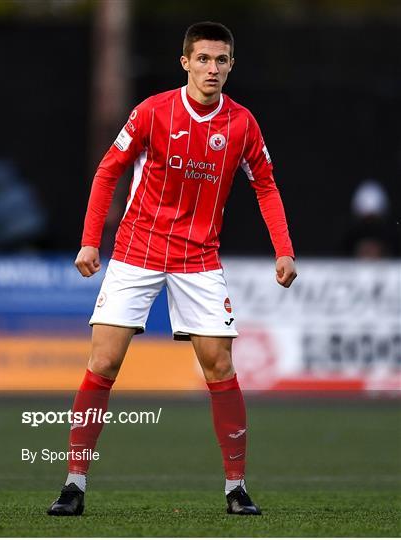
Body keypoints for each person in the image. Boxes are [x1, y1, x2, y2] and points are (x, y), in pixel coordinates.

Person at [47, 21, 297, 517]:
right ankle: (73, 484)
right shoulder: (153, 111)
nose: (212, 68)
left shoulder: (242, 124)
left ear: (230, 66)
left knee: (220, 367)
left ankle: (236, 488)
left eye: (221, 60)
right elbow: (108, 171)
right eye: (202, 59)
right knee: (104, 363)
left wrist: (284, 249)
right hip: (138, 250)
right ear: (185, 62)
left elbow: (265, 186)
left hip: (198, 258)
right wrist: (89, 241)